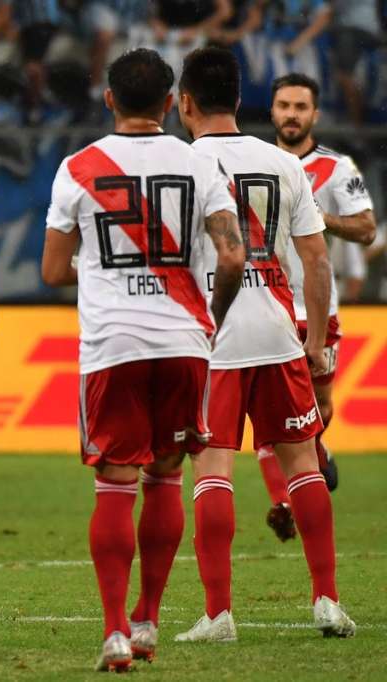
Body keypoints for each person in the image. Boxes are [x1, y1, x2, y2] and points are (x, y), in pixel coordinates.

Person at [41, 48, 245, 671]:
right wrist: (211, 318)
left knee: (114, 481)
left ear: (109, 99)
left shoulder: (78, 167)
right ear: (170, 103)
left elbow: (52, 270)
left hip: (114, 345)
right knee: (165, 476)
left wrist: (105, 267)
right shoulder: (199, 162)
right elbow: (233, 254)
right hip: (184, 342)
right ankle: (148, 619)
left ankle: (113, 632)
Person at [174, 46, 355, 643]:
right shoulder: (283, 163)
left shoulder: (180, 165)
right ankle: (327, 602)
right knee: (303, 462)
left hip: (213, 337)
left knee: (212, 470)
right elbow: (317, 261)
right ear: (240, 99)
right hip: (279, 332)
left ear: (186, 103)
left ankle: (219, 615)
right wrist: (317, 343)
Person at [258, 72, 378, 537]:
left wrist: (318, 216)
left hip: (318, 308)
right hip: (267, 304)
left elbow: (366, 228)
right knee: (268, 410)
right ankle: (284, 501)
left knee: (319, 405)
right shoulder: (254, 162)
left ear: (315, 114)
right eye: (284, 106)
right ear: (272, 111)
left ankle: (317, 451)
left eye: (300, 107)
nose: (291, 115)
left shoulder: (337, 167)